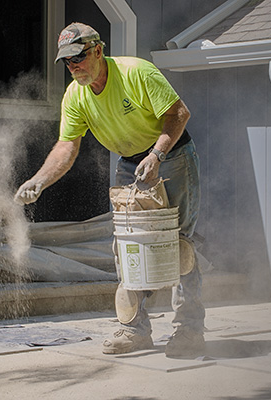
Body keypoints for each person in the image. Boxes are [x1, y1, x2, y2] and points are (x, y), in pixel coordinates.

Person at [14, 22, 205, 358]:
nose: (74, 66)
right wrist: (39, 181)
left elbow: (179, 113)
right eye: (68, 62)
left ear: (98, 50)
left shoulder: (136, 72)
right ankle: (134, 331)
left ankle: (189, 332)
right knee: (126, 247)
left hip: (172, 155)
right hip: (130, 163)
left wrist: (157, 154)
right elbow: (65, 147)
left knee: (180, 246)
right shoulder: (75, 95)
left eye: (79, 57)